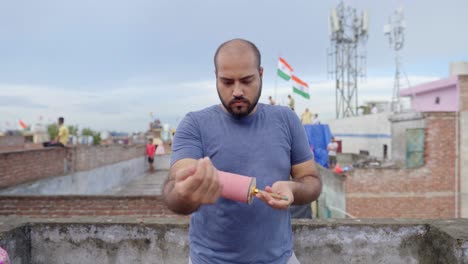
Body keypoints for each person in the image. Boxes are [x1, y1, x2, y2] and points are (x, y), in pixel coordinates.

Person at [163, 38, 322, 264]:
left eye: (246, 80)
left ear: (261, 74)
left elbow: (312, 181)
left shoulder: (286, 120)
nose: (237, 91)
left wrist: (293, 189)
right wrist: (187, 191)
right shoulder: (194, 124)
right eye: (227, 82)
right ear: (215, 78)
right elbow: (174, 190)